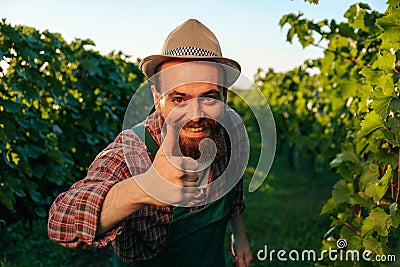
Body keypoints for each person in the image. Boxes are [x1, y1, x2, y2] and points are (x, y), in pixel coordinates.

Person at [48, 19, 253, 267]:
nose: (196, 114)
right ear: (158, 99)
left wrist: (239, 236)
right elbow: (62, 221)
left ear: (224, 97)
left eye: (209, 97)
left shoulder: (231, 129)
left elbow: (234, 188)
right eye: (179, 99)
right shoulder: (134, 150)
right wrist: (144, 188)